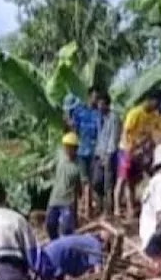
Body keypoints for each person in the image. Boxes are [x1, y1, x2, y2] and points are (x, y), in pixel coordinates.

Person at [117, 90, 161, 219]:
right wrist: (129, 149)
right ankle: (118, 207)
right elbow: (125, 132)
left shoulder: (154, 115)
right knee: (123, 180)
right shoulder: (135, 113)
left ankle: (131, 208)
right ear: (150, 100)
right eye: (156, 102)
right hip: (127, 150)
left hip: (140, 151)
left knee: (133, 181)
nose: (157, 106)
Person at [67, 87, 103, 215]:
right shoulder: (79, 111)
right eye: (94, 97)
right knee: (84, 181)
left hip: (94, 152)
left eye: (97, 97)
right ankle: (84, 210)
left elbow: (100, 132)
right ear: (89, 97)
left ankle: (88, 209)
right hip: (81, 151)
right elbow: (73, 127)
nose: (95, 100)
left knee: (91, 181)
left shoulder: (98, 113)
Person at [47, 133, 83, 240]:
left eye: (70, 147)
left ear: (75, 149)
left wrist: (81, 201)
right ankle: (55, 244)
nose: (67, 149)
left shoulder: (78, 165)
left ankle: (67, 247)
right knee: (50, 224)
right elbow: (50, 167)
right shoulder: (60, 156)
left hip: (67, 202)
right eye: (66, 146)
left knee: (67, 228)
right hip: (54, 199)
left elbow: (80, 185)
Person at [31, 233, 104, 280]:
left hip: (45, 254)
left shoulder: (83, 239)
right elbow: (98, 272)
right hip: (53, 261)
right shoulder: (95, 243)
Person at [92, 90, 119, 216]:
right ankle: (99, 205)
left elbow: (113, 138)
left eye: (102, 104)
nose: (99, 106)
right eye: (98, 104)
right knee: (97, 181)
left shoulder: (113, 118)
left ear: (107, 105)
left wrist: (108, 155)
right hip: (98, 152)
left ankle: (108, 209)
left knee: (108, 183)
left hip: (109, 153)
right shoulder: (98, 117)